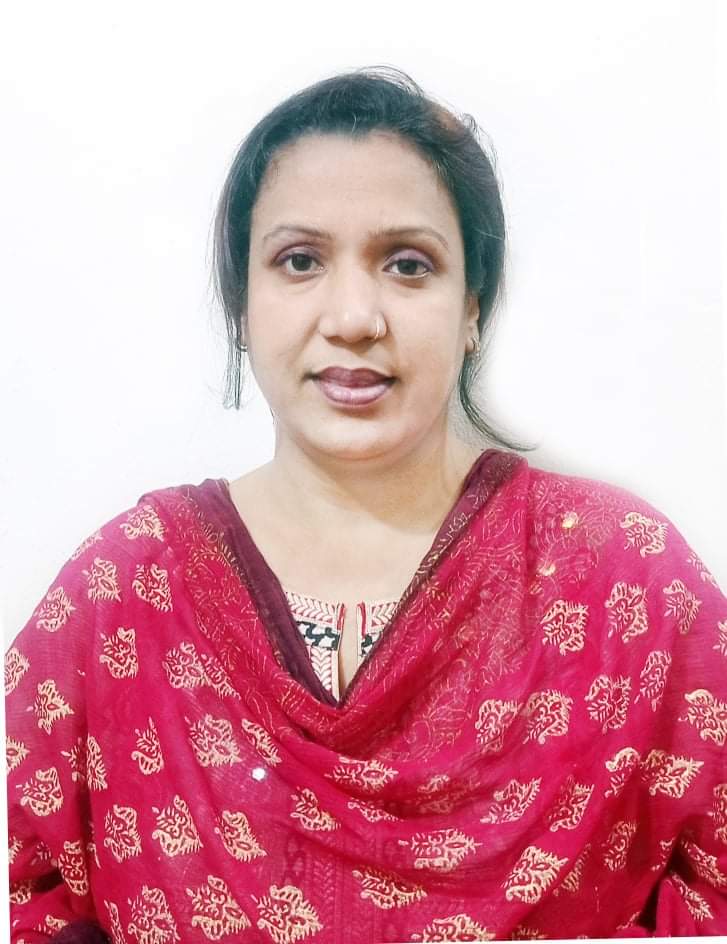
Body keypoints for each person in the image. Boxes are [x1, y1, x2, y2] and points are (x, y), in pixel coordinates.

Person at [5, 67, 726, 943]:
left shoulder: (620, 580)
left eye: (407, 264)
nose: (353, 317)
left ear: (472, 306)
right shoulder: (126, 594)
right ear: (241, 306)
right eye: (299, 261)